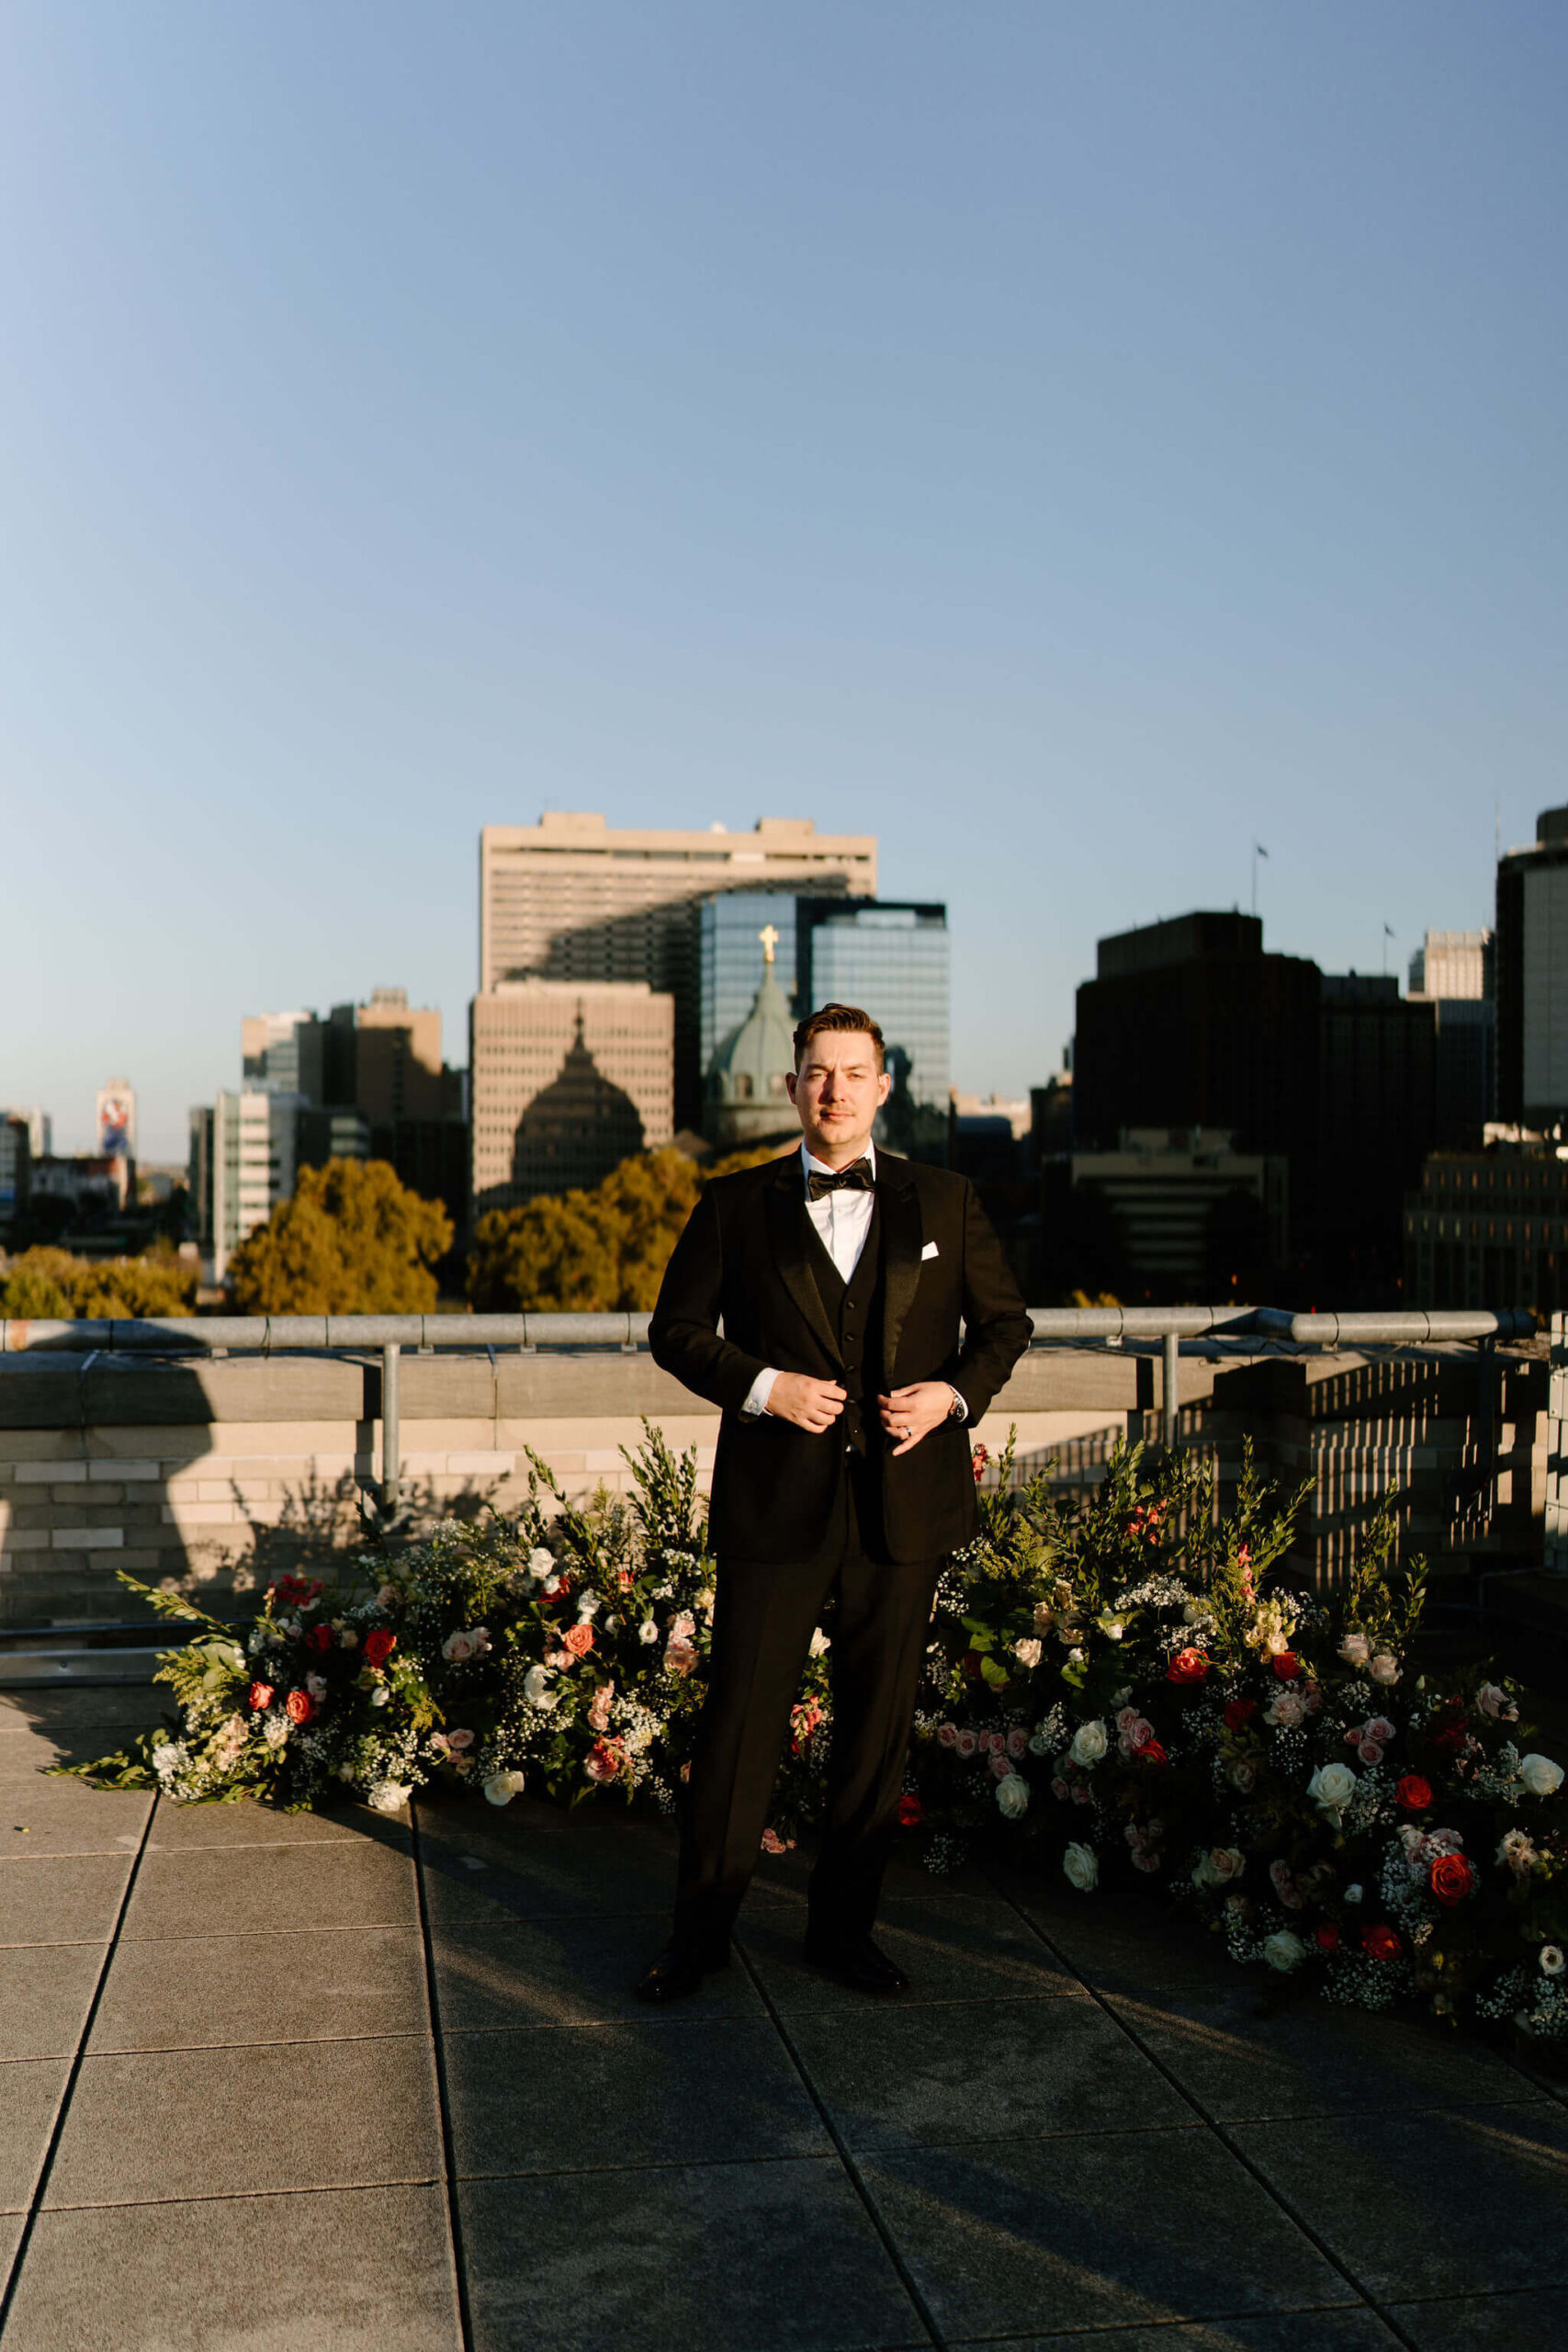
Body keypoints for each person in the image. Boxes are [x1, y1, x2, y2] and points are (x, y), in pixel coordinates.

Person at [635, 1002, 1032, 2002]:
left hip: (904, 1512)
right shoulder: (732, 1204)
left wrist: (951, 1396)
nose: (835, 1090)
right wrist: (767, 1387)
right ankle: (699, 1938)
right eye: (818, 1072)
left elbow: (1006, 1325)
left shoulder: (946, 1199)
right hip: (777, 1507)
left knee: (875, 1735)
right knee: (739, 1729)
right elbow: (676, 1331)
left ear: (883, 1085)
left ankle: (843, 1934)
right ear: (791, 1085)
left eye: (853, 1073)